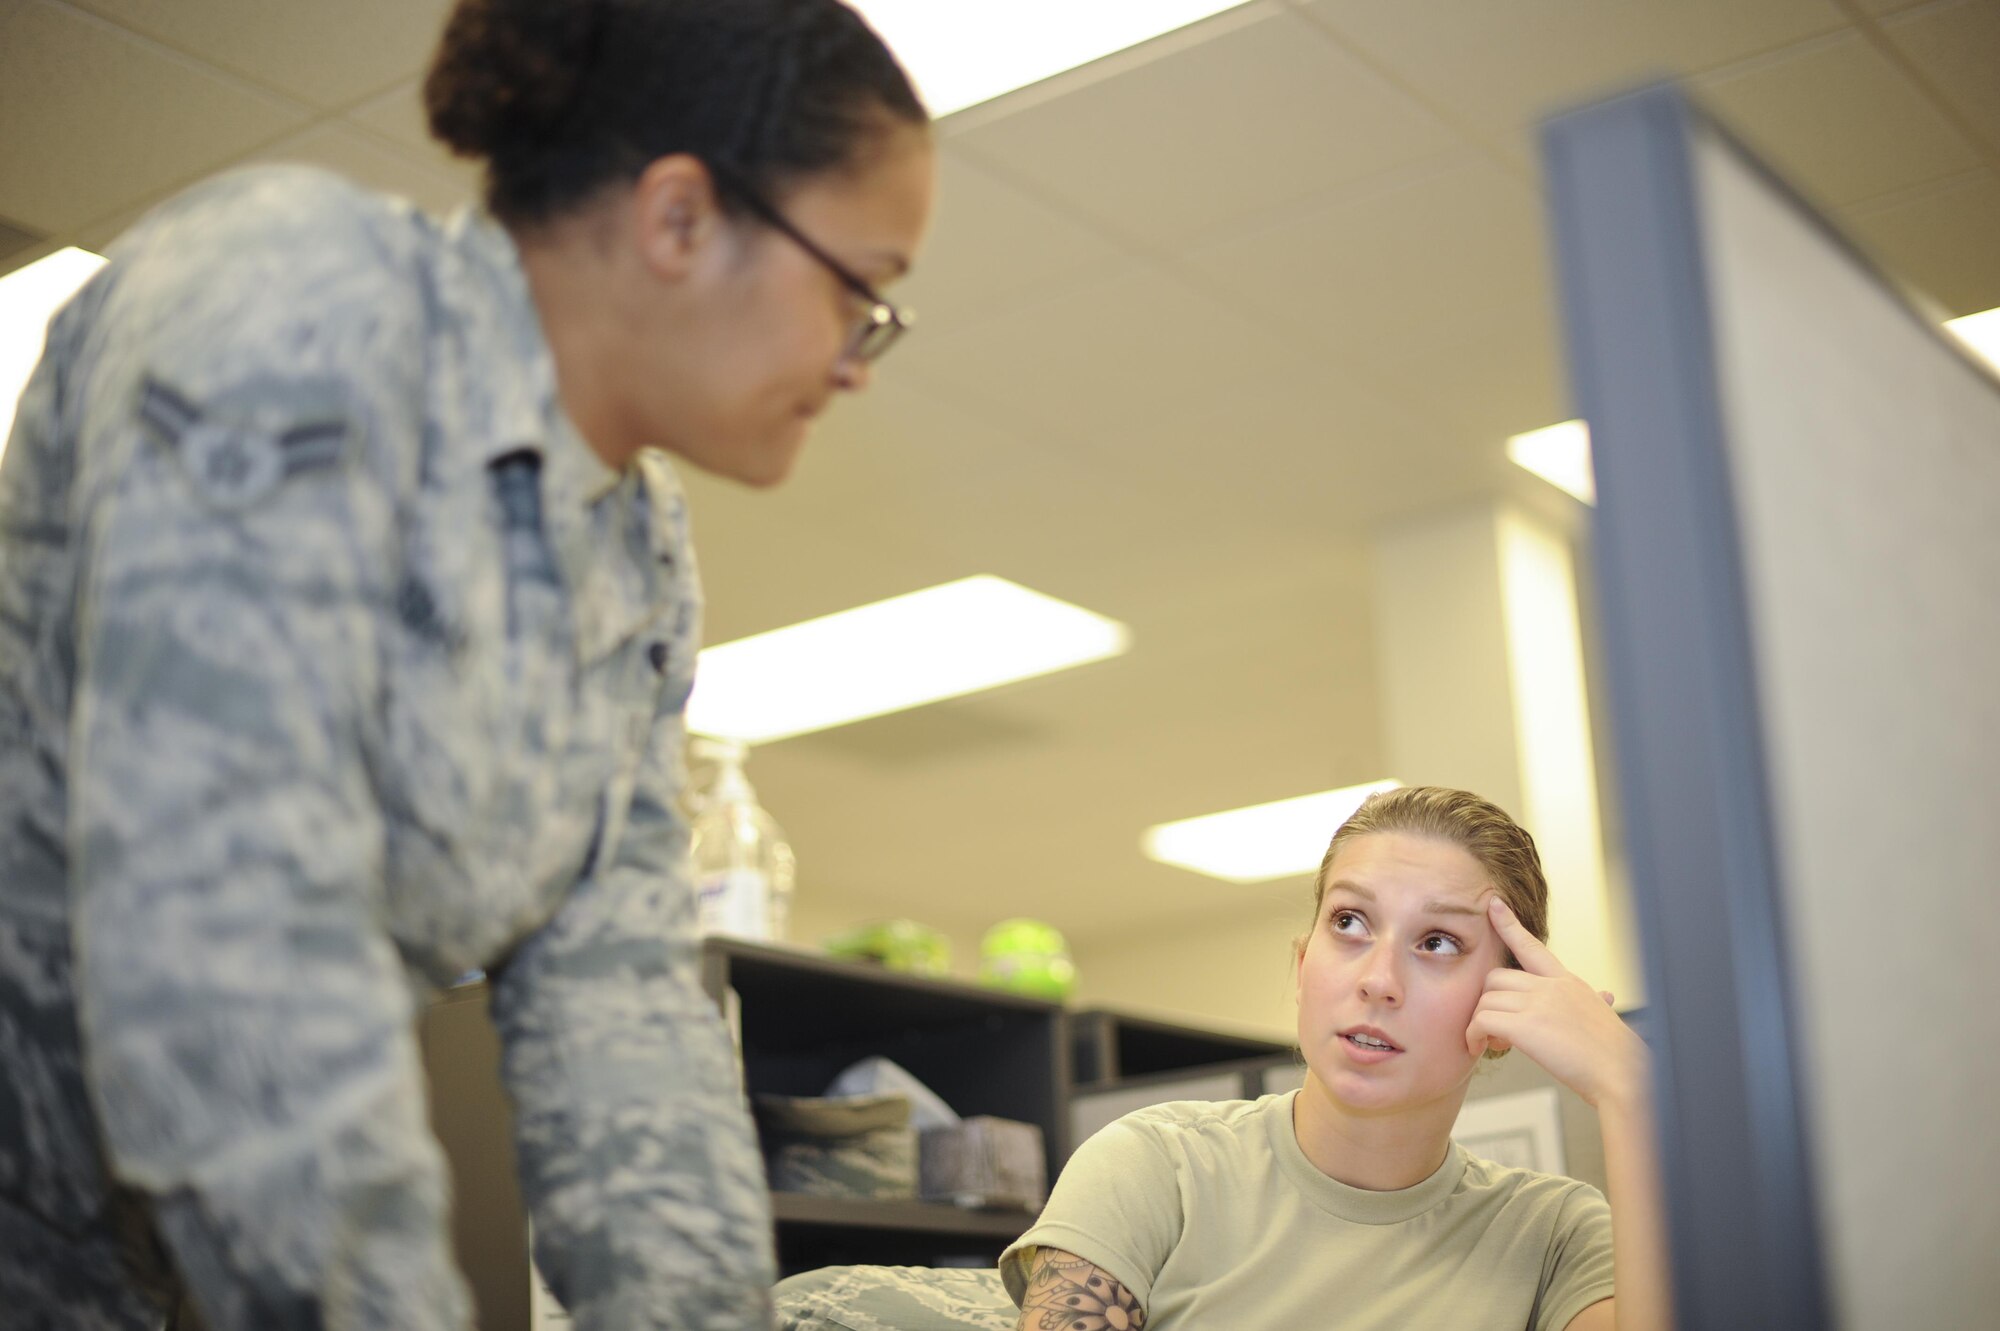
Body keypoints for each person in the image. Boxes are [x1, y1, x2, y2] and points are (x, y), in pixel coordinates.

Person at [0, 0, 934, 1326]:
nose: (858, 364)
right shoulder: (286, 309)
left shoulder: (635, 546)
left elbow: (619, 1011)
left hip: (205, 1257)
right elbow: (228, 949)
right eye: (859, 291)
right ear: (679, 219)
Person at [1000, 787, 1672, 1331]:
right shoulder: (1155, 1165)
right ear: (1301, 967)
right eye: (1350, 921)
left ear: (1503, 1011)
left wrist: (1633, 1095)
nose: (1378, 978)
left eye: (1437, 940)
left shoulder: (1554, 1235)